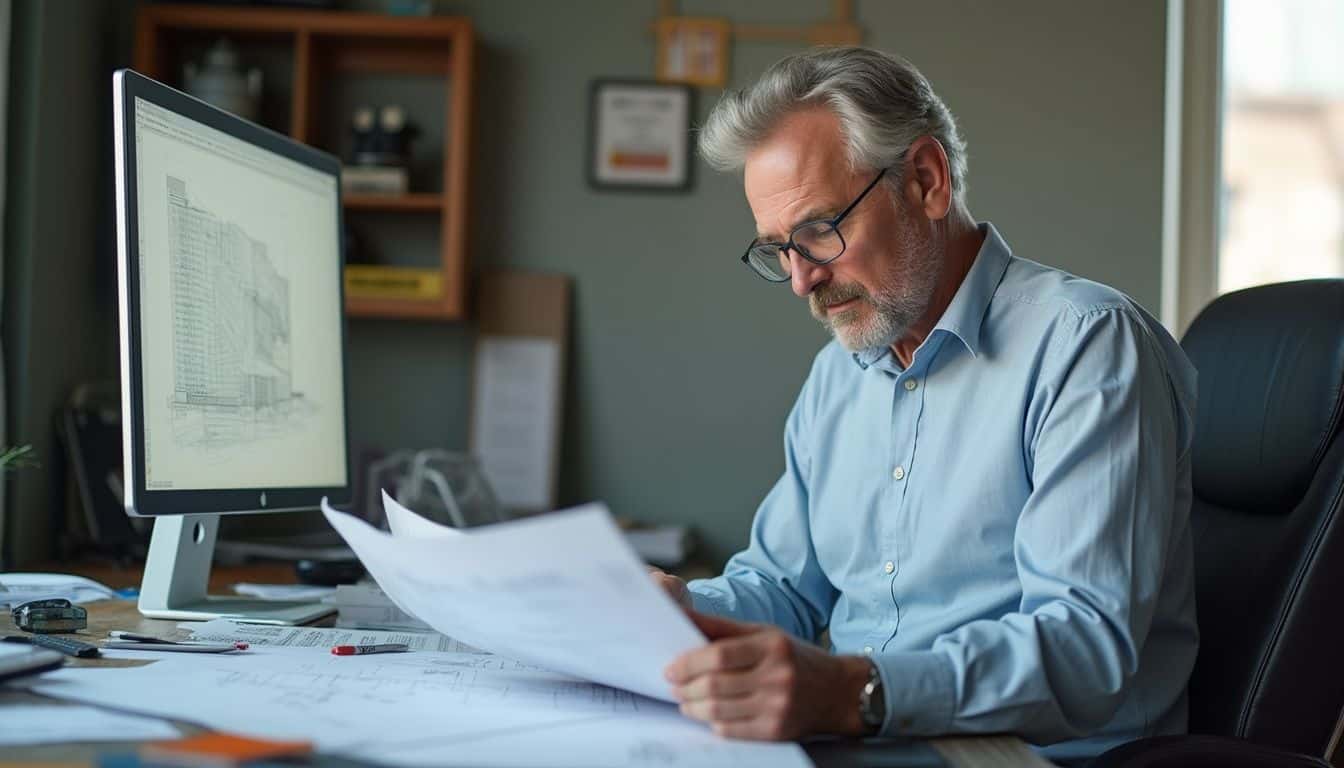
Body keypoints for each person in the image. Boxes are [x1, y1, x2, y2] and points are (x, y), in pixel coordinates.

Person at [651, 47, 1198, 761]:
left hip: (1035, 757)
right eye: (779, 250)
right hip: (869, 742)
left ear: (926, 181)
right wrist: (678, 612)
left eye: (819, 231)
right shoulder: (839, 373)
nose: (801, 280)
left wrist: (855, 691)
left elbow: (1082, 648)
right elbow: (783, 588)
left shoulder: (1087, 347)